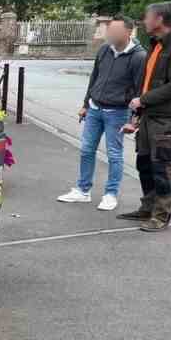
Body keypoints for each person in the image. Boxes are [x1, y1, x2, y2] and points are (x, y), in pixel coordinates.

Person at [57, 16, 145, 211]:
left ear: (128, 32)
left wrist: (134, 120)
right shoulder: (105, 49)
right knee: (87, 149)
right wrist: (85, 104)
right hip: (95, 109)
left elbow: (140, 91)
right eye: (109, 30)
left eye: (114, 31)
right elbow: (95, 78)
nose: (109, 34)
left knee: (114, 154)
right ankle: (82, 190)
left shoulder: (139, 57)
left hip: (118, 112)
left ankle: (110, 194)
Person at [118, 2, 171, 232]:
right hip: (149, 117)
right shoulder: (155, 45)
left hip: (167, 119)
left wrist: (144, 100)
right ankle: (148, 207)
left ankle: (161, 215)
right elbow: (146, 83)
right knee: (144, 164)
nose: (144, 21)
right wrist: (137, 115)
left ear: (160, 19)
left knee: (162, 167)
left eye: (147, 16)